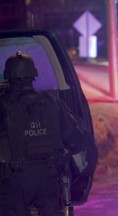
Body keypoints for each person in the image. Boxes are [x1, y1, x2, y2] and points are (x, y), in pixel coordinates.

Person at [0, 52, 92, 216]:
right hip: (48, 177)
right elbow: (75, 138)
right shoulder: (51, 103)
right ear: (33, 75)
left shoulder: (3, 106)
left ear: (8, 76)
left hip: (14, 180)